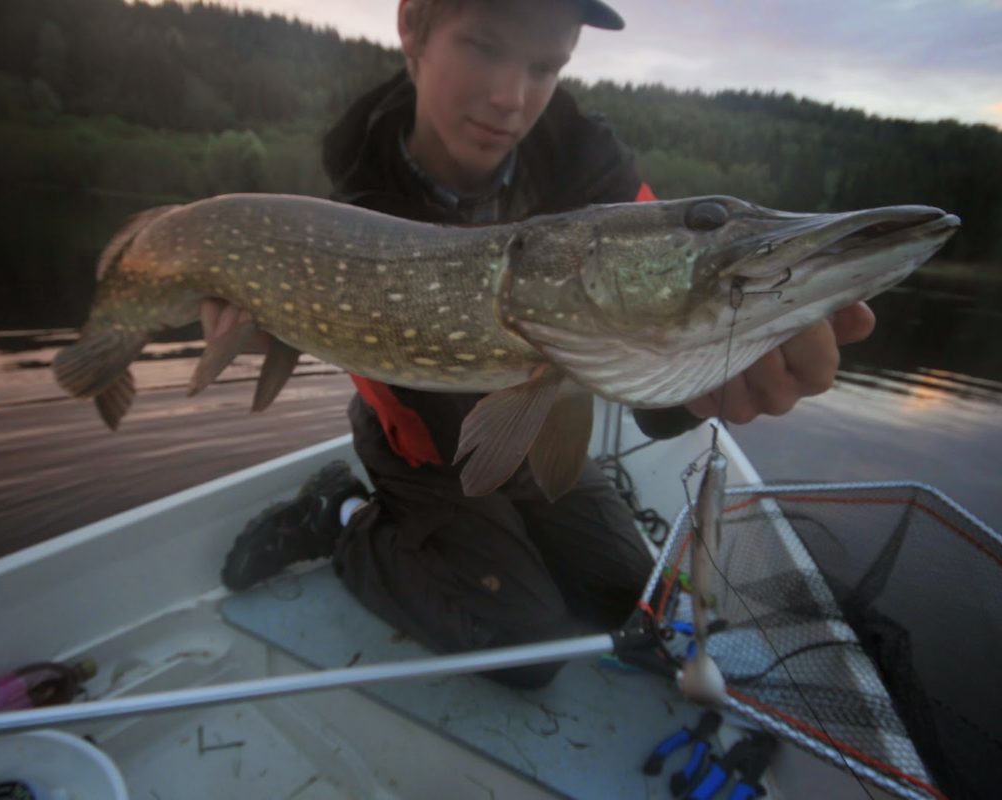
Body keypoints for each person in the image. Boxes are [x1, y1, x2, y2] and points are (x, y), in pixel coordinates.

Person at [214, 0, 876, 688]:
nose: (512, 97)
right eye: (483, 47)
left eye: (544, 65)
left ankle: (498, 526)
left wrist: (700, 373)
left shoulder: (598, 182)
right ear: (413, 27)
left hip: (538, 427)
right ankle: (342, 516)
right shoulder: (347, 213)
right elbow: (409, 391)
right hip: (423, 444)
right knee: (522, 644)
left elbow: (651, 401)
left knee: (632, 606)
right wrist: (274, 316)